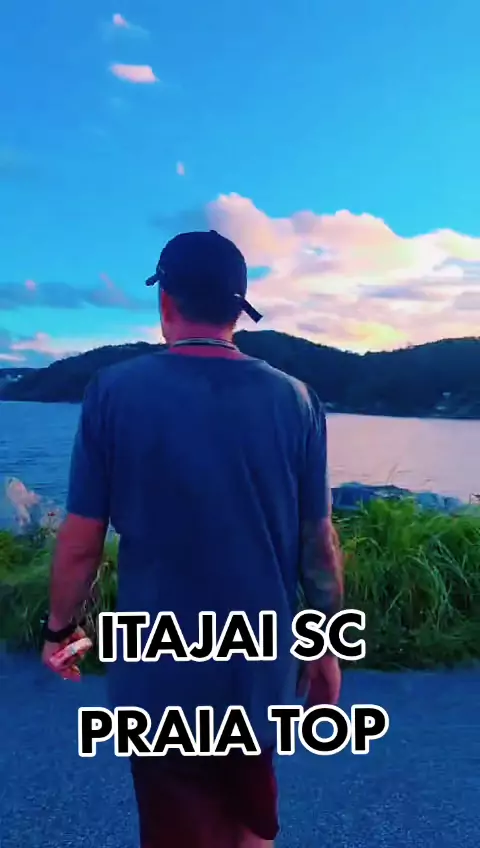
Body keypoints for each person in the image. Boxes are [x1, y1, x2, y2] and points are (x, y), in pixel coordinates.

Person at [42, 230, 343, 848]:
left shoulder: (113, 392)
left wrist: (61, 629)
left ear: (165, 302)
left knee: (177, 826)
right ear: (238, 309)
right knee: (250, 821)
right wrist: (326, 648)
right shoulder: (298, 400)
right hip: (259, 665)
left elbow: (81, 542)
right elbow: (318, 544)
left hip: (160, 675)